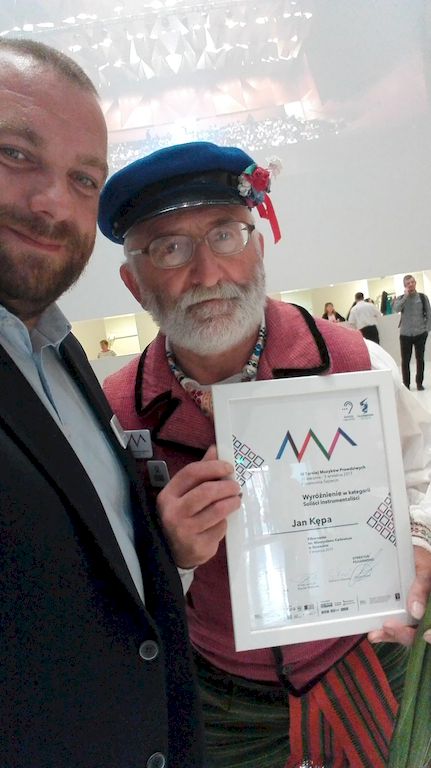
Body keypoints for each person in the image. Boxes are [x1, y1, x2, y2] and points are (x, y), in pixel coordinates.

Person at [98, 141, 431, 768]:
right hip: (224, 701)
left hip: (367, 658)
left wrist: (418, 541)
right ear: (133, 283)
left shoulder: (352, 362)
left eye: (226, 235)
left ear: (259, 245)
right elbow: (105, 584)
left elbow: (423, 468)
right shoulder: (117, 414)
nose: (207, 273)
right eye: (170, 249)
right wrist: (171, 556)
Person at [0, 39, 219, 768]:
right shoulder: (126, 388)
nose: (51, 203)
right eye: (15, 154)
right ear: (135, 280)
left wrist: (170, 552)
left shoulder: (61, 354)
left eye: (83, 178)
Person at [393, 274, 431, 390]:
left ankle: (419, 383)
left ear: (415, 283)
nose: (411, 285)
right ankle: (406, 384)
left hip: (420, 333)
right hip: (405, 334)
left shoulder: (423, 297)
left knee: (420, 359)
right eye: (408, 283)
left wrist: (427, 330)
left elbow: (429, 314)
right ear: (405, 285)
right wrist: (405, 296)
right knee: (405, 361)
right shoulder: (401, 299)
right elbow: (396, 309)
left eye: (412, 282)